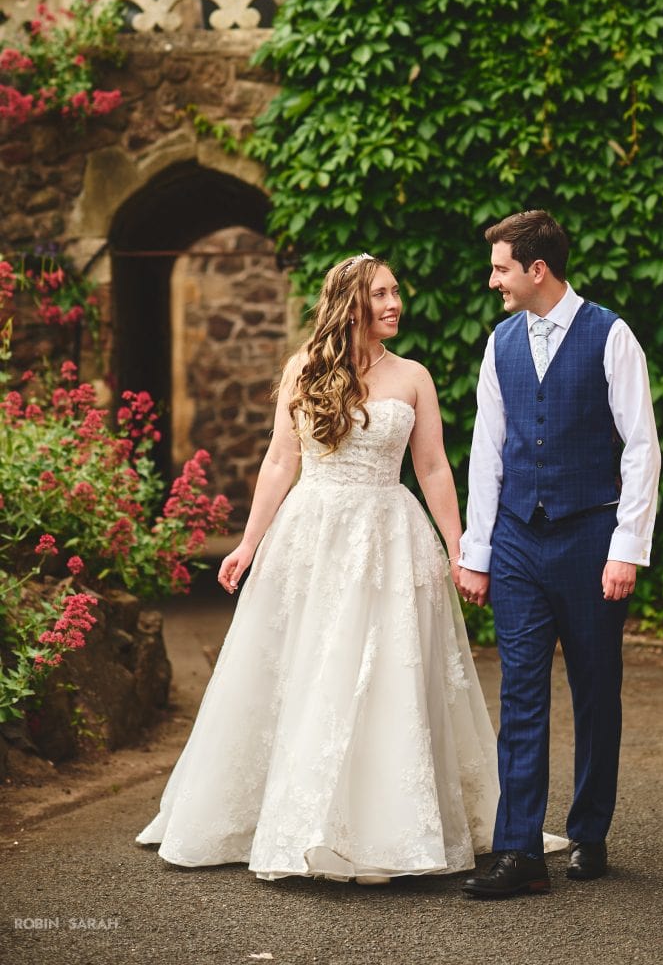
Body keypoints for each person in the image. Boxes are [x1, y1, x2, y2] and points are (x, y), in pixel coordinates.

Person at [136, 253, 508, 882]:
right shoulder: (303, 370)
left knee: (386, 676)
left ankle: (383, 826)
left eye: (396, 292)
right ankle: (298, 821)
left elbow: (434, 468)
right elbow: (281, 462)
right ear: (351, 303)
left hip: (390, 538)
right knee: (308, 671)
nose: (395, 304)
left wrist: (461, 546)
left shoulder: (413, 376)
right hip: (312, 537)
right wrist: (247, 546)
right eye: (382, 294)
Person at [457, 211, 661, 899]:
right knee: (519, 691)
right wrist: (478, 550)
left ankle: (590, 829)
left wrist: (626, 547)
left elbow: (640, 447)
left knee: (597, 687)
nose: (494, 282)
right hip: (517, 539)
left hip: (589, 537)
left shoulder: (611, 335)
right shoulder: (501, 342)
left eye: (501, 268)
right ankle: (519, 851)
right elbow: (487, 450)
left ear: (536, 270)